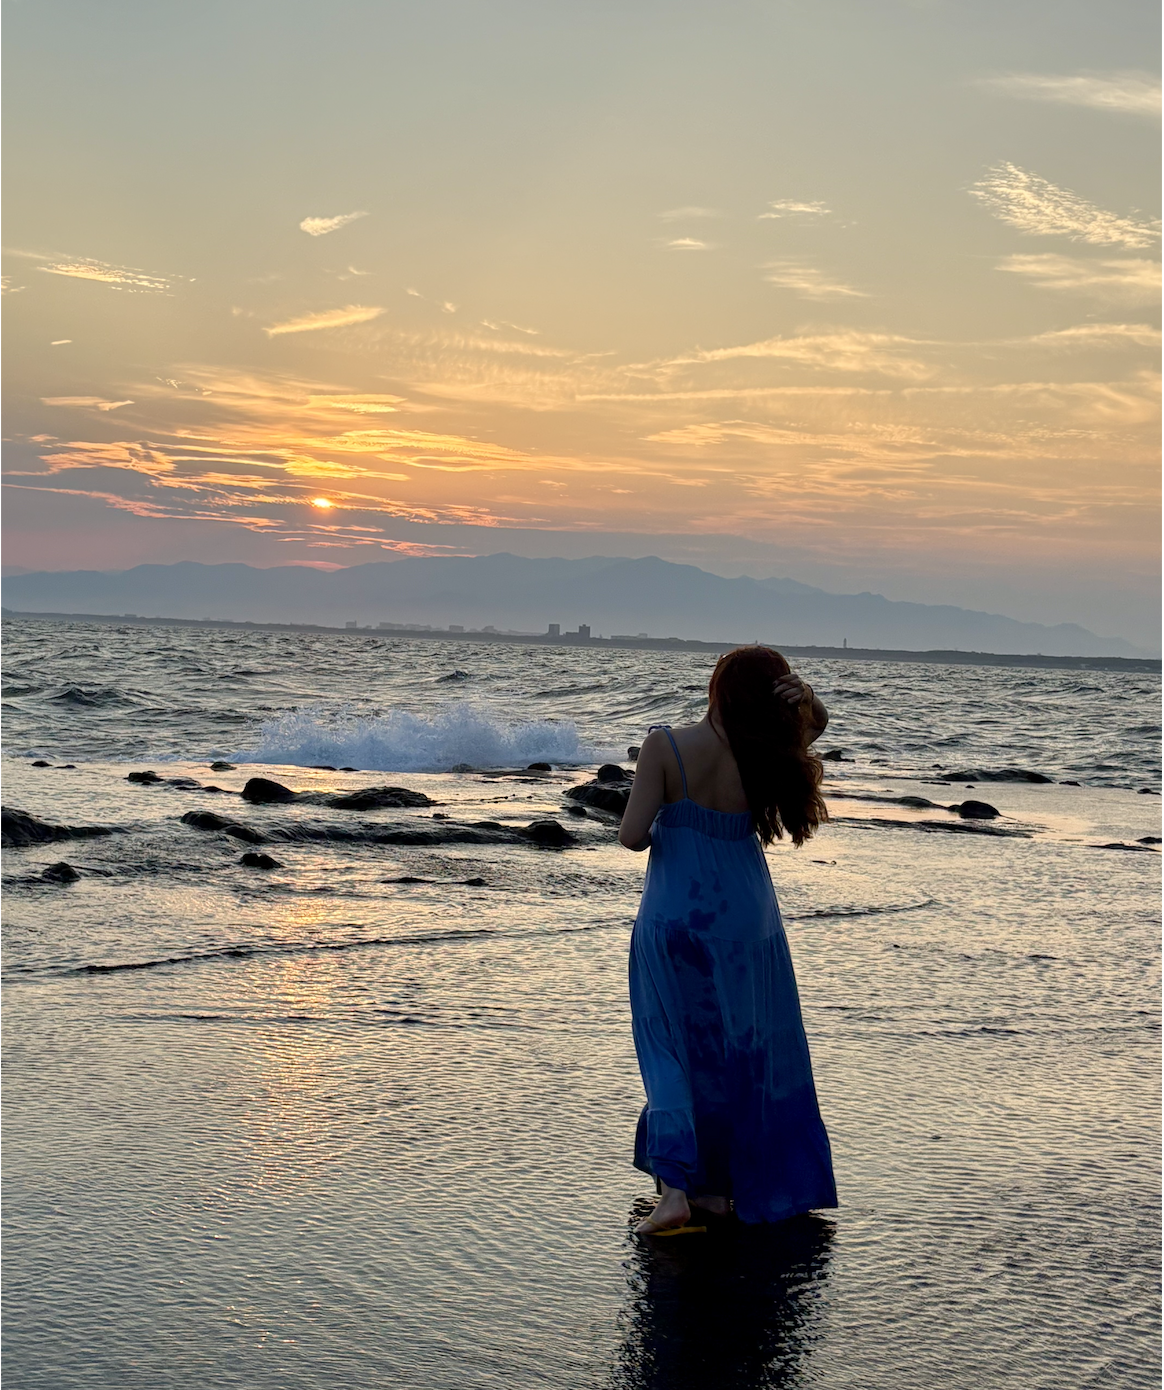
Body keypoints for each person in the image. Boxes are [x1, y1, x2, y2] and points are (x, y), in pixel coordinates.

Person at [618, 645, 838, 1234]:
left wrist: (667, 818)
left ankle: (676, 1190)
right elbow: (815, 729)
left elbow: (632, 836)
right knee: (739, 1050)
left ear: (715, 687)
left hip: (674, 919)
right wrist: (808, 698)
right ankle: (718, 1191)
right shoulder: (766, 753)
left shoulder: (664, 746)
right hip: (746, 921)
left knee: (668, 1047)